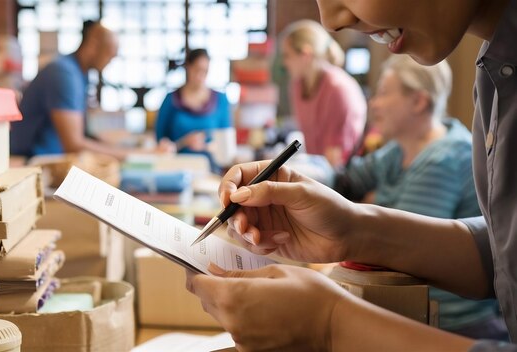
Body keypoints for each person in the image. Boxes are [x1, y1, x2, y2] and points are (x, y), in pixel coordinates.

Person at [186, 0, 517, 350]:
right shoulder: (495, 72)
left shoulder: (450, 146)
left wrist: (331, 323)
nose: (330, 21)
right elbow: (504, 254)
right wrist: (354, 229)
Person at [334, 54, 506, 339]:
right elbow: (345, 181)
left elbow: (394, 249)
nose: (373, 103)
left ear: (419, 101)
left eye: (384, 93)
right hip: (412, 311)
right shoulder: (400, 149)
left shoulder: (444, 157)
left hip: (451, 325)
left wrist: (369, 203)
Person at [10, 21, 174, 160]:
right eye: (111, 53)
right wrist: (141, 154)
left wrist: (126, 145)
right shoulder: (63, 73)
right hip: (31, 162)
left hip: (51, 159)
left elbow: (84, 134)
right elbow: (74, 144)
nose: (112, 60)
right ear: (94, 43)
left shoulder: (80, 74)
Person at [281, 20, 366, 168]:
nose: (284, 63)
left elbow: (335, 161)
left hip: (341, 177)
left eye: (287, 55)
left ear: (305, 55)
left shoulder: (338, 90)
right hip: (318, 169)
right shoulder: (297, 85)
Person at [155, 48, 232, 173]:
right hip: (176, 168)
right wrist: (184, 142)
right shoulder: (171, 100)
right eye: (197, 70)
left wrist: (205, 146)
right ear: (188, 67)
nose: (200, 75)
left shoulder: (221, 100)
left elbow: (226, 145)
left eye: (205, 71)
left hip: (210, 170)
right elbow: (161, 141)